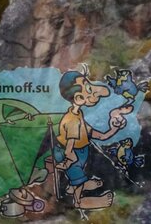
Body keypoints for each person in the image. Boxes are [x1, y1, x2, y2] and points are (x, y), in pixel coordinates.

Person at [54, 70, 133, 210]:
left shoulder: (79, 115)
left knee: (77, 175)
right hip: (73, 154)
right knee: (77, 175)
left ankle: (73, 186)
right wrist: (69, 159)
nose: (95, 92)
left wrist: (113, 129)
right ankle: (79, 201)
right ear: (78, 98)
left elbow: (97, 135)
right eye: (88, 88)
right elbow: (70, 144)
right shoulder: (71, 120)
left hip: (81, 151)